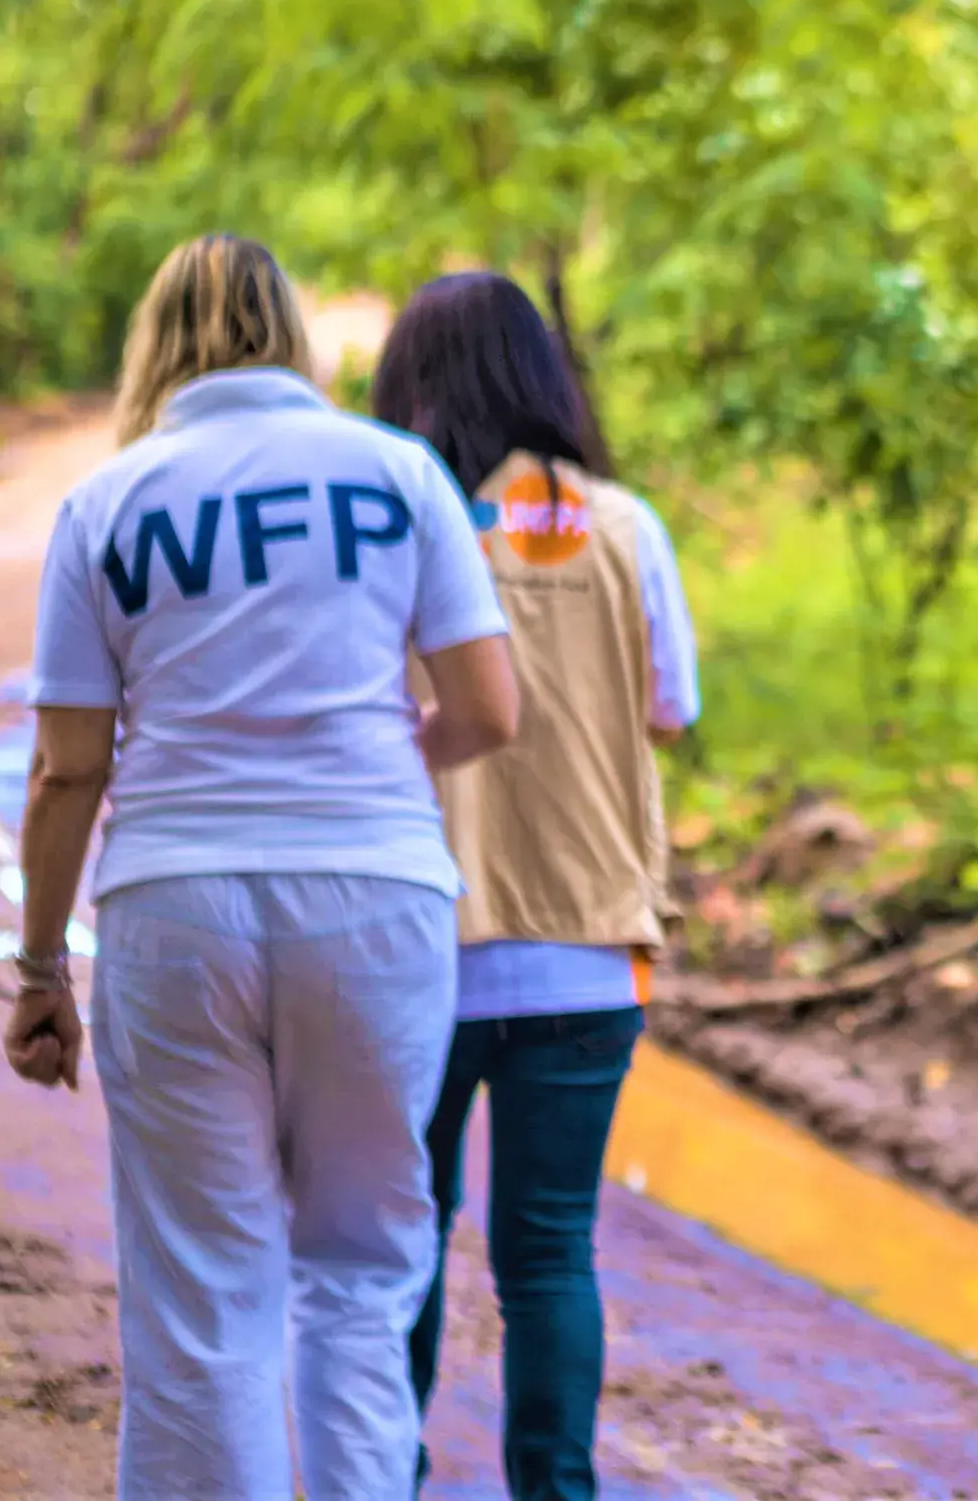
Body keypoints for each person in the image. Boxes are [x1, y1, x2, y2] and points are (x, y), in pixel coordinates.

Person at [3, 234, 520, 1500]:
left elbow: (69, 768)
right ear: (293, 330)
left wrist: (37, 968)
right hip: (375, 900)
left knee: (201, 1292)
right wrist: (381, 769)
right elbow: (492, 709)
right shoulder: (396, 472)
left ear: (154, 343)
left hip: (174, 904)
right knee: (359, 1271)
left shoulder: (110, 500)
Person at [369, 271, 701, 1500]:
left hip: (418, 941)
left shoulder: (400, 526)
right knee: (550, 1254)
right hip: (586, 945)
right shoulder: (625, 526)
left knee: (397, 1244)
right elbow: (668, 711)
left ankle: (379, 1476)